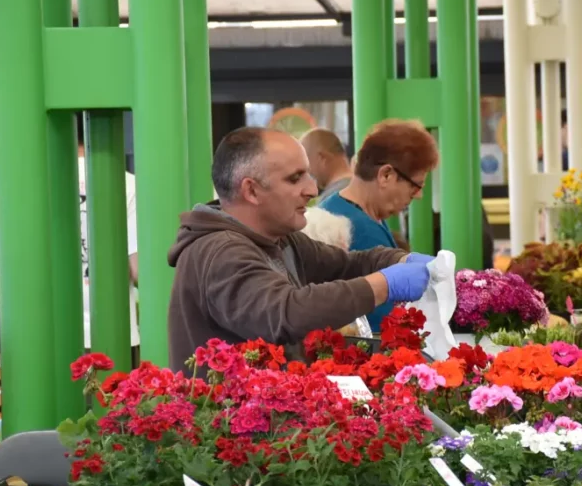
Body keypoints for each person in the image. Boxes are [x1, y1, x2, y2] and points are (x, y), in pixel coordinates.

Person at [166, 127, 433, 370]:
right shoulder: (221, 251)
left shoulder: (281, 239)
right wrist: (383, 285)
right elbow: (285, 312)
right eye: (295, 179)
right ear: (252, 191)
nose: (312, 189)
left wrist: (402, 259)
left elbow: (346, 265)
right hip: (232, 419)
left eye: (309, 174)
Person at [320, 120, 439, 331]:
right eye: (416, 185)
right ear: (386, 175)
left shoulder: (354, 212)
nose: (419, 195)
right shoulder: (357, 227)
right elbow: (382, 323)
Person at [78, 141, 140, 354]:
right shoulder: (129, 184)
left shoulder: (41, 181)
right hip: (115, 330)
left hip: (54, 331)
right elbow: (137, 268)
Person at [302, 128, 353, 206]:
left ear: (322, 158)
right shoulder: (360, 188)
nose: (308, 173)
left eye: (308, 165)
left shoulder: (331, 199)